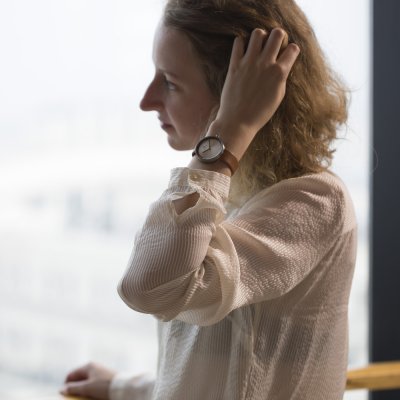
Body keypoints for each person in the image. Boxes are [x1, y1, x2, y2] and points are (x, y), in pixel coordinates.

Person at [61, 0, 357, 399]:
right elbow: (232, 368)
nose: (147, 100)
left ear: (237, 92)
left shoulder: (315, 203)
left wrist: (230, 129)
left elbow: (147, 286)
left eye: (170, 81)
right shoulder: (231, 195)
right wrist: (126, 388)